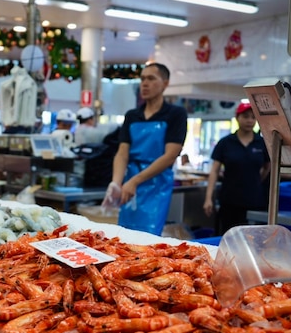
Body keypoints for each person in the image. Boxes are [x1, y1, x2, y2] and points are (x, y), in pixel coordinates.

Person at [107, 63, 187, 235]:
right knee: (124, 235)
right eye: (142, 79)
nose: (144, 83)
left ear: (165, 83)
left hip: (156, 184)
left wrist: (135, 181)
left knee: (148, 238)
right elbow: (122, 153)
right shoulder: (132, 115)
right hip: (129, 183)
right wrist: (116, 182)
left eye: (151, 78)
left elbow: (170, 155)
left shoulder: (176, 114)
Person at [203, 102, 271, 235]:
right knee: (227, 238)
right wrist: (208, 198)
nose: (250, 120)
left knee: (252, 240)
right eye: (245, 116)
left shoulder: (262, 143)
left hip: (254, 201)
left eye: (253, 117)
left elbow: (267, 166)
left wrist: (256, 180)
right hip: (229, 201)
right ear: (237, 118)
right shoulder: (226, 143)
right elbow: (214, 171)